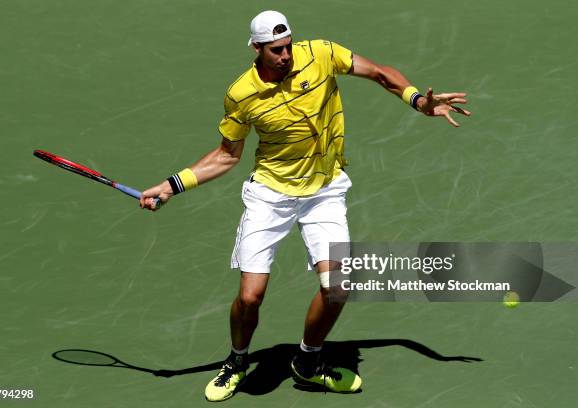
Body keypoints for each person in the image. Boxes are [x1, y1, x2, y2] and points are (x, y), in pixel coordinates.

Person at [140, 10, 470, 402]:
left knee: (338, 288)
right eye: (276, 50)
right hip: (270, 195)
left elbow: (380, 73)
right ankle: (237, 360)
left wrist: (417, 101)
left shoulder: (322, 54)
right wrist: (171, 186)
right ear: (257, 49)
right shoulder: (241, 94)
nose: (286, 55)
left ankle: (308, 362)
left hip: (324, 192)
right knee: (250, 296)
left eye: (288, 46)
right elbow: (227, 155)